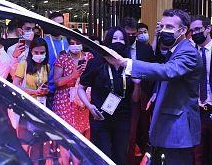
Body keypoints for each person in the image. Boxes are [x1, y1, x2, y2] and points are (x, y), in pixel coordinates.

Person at [105, 9, 202, 165]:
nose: (164, 30)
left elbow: (167, 71)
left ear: (183, 30)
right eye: (162, 26)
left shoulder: (188, 52)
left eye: (169, 27)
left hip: (178, 129)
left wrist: (126, 63)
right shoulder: (174, 50)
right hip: (168, 127)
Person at [78, 26, 141, 165]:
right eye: (114, 39)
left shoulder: (129, 65)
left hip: (123, 117)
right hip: (100, 116)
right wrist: (89, 106)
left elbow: (135, 99)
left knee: (120, 156)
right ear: (107, 42)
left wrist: (137, 84)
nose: (118, 42)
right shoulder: (96, 62)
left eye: (121, 39)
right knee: (103, 155)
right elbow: (81, 88)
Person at [53, 36, 94, 165]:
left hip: (82, 100)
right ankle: (64, 162)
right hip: (64, 100)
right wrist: (73, 75)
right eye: (72, 43)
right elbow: (57, 82)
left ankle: (79, 162)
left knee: (81, 135)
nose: (75, 45)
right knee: (65, 135)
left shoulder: (89, 57)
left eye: (78, 43)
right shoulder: (63, 58)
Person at [121, 17, 155, 163]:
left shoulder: (145, 48)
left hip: (143, 95)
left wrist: (152, 93)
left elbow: (155, 70)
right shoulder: (118, 48)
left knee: (145, 131)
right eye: (127, 34)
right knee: (129, 133)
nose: (131, 37)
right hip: (123, 96)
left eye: (133, 34)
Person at [190, 15, 212, 165]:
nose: (195, 33)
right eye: (192, 30)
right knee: (198, 153)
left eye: (198, 29)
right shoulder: (191, 53)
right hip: (196, 109)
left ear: (208, 28)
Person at [44, 12, 69, 107]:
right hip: (48, 89)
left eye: (61, 24)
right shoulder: (44, 41)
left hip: (64, 88)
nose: (59, 27)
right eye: (55, 24)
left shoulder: (67, 41)